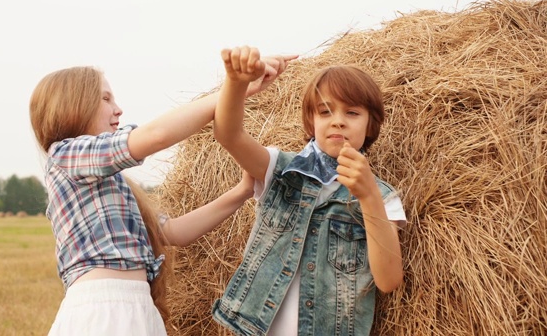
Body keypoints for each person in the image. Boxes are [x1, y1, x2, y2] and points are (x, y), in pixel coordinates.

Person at [28, 54, 293, 336]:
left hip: (136, 307)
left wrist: (241, 192)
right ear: (73, 104)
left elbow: (172, 232)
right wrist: (233, 88)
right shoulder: (66, 155)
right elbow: (155, 136)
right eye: (105, 99)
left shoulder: (112, 183)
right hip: (103, 310)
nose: (118, 109)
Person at [211, 46, 406, 336]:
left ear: (370, 124)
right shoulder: (280, 170)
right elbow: (229, 134)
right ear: (311, 120)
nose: (337, 120)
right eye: (325, 111)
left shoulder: (382, 195)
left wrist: (368, 197)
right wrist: (236, 83)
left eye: (352, 112)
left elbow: (389, 280)